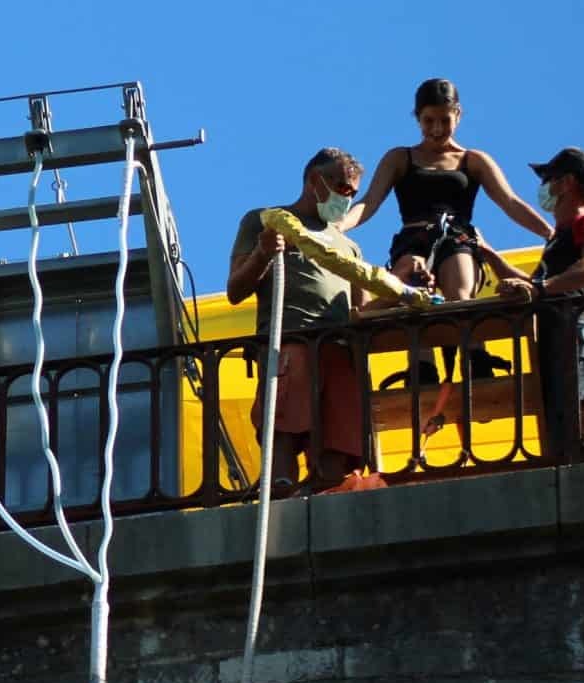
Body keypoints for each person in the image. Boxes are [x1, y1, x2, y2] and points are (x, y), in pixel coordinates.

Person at [228, 148, 373, 489]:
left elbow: (361, 311)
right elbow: (235, 289)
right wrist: (263, 253)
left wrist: (405, 288)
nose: (346, 197)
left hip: (338, 349)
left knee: (337, 447)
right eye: (341, 187)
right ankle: (280, 492)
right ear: (314, 181)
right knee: (284, 431)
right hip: (290, 342)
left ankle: (324, 498)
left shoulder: (349, 248)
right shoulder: (266, 220)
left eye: (352, 192)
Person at [342, 79, 552, 300]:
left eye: (445, 120)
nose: (437, 129)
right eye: (428, 121)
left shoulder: (473, 160)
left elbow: (510, 202)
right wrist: (339, 227)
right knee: (401, 295)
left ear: (458, 115)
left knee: (460, 296)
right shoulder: (400, 158)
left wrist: (550, 234)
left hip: (457, 238)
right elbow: (369, 202)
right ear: (417, 117)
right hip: (413, 240)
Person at [477, 147, 584, 451]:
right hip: (554, 338)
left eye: (548, 180)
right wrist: (489, 254)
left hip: (580, 330)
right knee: (561, 426)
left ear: (566, 182)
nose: (544, 189)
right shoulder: (559, 240)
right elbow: (535, 286)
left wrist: (539, 289)